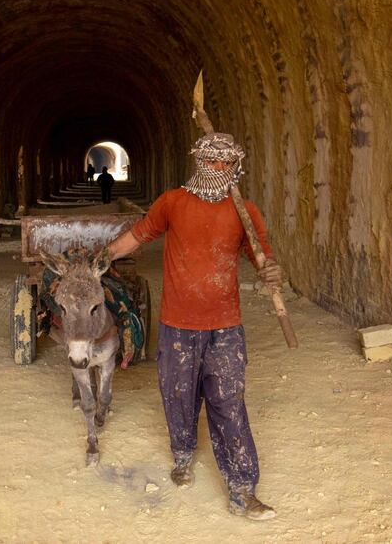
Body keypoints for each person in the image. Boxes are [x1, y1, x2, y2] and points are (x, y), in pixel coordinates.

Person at [106, 132, 282, 521]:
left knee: (229, 402)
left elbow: (260, 254)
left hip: (225, 325)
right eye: (211, 162)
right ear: (199, 163)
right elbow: (138, 236)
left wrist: (270, 269)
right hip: (177, 323)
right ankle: (183, 454)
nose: (218, 170)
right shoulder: (172, 203)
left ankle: (242, 490)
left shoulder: (244, 211)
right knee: (178, 394)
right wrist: (104, 256)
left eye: (226, 164)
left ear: (236, 167)